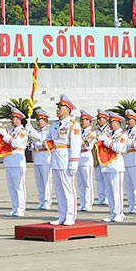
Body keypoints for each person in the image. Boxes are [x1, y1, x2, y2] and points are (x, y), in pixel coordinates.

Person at [46, 95, 82, 226]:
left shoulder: (73, 124)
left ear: (67, 109)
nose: (57, 110)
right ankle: (61, 215)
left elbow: (75, 145)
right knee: (59, 190)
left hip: (66, 160)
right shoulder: (55, 125)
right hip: (56, 160)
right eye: (57, 107)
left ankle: (70, 216)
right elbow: (44, 138)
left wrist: (73, 163)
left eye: (60, 107)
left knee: (68, 190)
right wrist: (30, 131)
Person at [0, 107, 29, 217]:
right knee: (11, 187)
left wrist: (5, 135)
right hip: (9, 161)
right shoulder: (11, 131)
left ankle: (21, 209)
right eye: (11, 118)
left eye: (14, 118)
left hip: (18, 161)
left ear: (19, 119)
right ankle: (14, 207)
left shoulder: (22, 131)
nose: (12, 120)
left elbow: (15, 143)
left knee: (19, 186)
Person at [100, 112, 126, 223]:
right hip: (107, 165)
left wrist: (105, 140)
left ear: (117, 123)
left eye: (111, 122)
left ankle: (119, 213)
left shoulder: (122, 135)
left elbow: (118, 147)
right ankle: (112, 213)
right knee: (109, 191)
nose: (109, 124)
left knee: (116, 191)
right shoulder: (110, 134)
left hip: (116, 165)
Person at [121, 109, 136, 214]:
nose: (127, 122)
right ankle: (131, 205)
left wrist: (127, 140)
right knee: (128, 185)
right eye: (127, 119)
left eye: (130, 119)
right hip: (126, 159)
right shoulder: (126, 131)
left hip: (135, 160)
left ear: (135, 119)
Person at [29, 109, 52, 210]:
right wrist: (30, 145)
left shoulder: (48, 131)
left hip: (46, 158)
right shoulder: (37, 131)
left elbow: (41, 139)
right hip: (38, 157)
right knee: (39, 182)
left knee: (46, 182)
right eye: (37, 120)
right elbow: (35, 144)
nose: (38, 122)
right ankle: (41, 201)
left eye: (40, 119)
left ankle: (47, 202)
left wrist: (31, 131)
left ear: (45, 120)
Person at [76, 109, 96, 212]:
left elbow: (88, 145)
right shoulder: (80, 131)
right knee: (80, 183)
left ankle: (88, 203)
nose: (82, 121)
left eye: (84, 119)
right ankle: (83, 202)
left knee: (87, 182)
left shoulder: (91, 132)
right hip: (79, 157)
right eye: (81, 119)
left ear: (89, 121)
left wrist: (80, 142)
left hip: (86, 157)